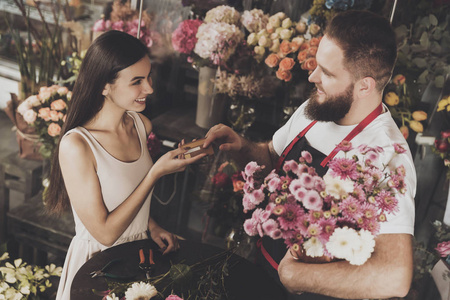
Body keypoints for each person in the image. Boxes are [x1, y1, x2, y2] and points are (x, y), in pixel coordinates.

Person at [203, 10, 416, 300]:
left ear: (364, 86)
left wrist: (295, 275)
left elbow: (395, 277)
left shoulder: (386, 155)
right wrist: (241, 148)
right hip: (264, 272)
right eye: (317, 65)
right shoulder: (317, 107)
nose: (313, 76)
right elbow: (271, 157)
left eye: (327, 73)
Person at [46, 30, 206, 299]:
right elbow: (105, 234)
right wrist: (155, 174)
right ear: (104, 85)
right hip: (98, 265)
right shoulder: (77, 146)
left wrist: (151, 226)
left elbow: (122, 195)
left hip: (139, 256)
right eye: (137, 81)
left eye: (149, 76)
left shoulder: (140, 125)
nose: (150, 88)